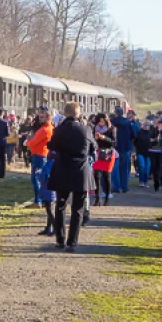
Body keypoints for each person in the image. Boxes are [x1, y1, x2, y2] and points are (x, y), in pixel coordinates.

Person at [47, 102, 96, 252]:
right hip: (81, 172)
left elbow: (51, 145)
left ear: (65, 113)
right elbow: (93, 147)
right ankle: (72, 242)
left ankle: (60, 240)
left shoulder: (60, 129)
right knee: (78, 209)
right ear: (78, 114)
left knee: (60, 206)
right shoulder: (86, 129)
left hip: (62, 170)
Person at [26, 110, 54, 207]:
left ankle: (38, 201)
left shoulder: (44, 130)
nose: (40, 119)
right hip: (43, 154)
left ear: (48, 118)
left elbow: (34, 143)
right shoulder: (51, 128)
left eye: (42, 117)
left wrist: (28, 142)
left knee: (35, 179)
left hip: (39, 155)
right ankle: (42, 200)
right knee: (41, 178)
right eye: (40, 117)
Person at [110, 107, 136, 194]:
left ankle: (116, 187)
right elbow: (133, 135)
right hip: (125, 147)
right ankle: (124, 186)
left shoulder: (112, 122)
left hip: (115, 147)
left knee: (115, 168)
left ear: (116, 113)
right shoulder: (128, 123)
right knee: (124, 168)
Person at [91, 136, 118, 206]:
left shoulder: (112, 129)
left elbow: (113, 143)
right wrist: (94, 139)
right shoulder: (94, 127)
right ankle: (97, 198)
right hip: (98, 154)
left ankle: (107, 198)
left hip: (108, 155)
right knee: (96, 176)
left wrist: (104, 138)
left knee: (107, 177)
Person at [37, 151, 57, 236]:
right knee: (51, 209)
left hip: (47, 189)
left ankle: (55, 228)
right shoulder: (58, 165)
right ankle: (48, 228)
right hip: (55, 190)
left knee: (49, 211)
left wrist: (37, 173)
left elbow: (42, 178)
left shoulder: (46, 165)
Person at [132, 120, 153, 189]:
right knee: (142, 166)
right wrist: (136, 150)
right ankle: (141, 181)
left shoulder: (151, 133)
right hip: (140, 152)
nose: (146, 126)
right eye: (145, 125)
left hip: (149, 154)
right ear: (143, 125)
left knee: (147, 168)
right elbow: (135, 142)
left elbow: (153, 142)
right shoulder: (139, 132)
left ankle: (146, 181)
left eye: (148, 125)